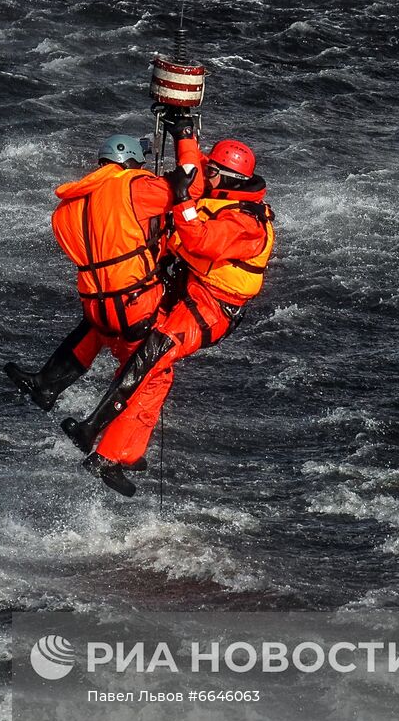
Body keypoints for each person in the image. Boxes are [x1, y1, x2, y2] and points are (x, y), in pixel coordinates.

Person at [61, 137, 277, 496]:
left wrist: (181, 201)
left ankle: (94, 431)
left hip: (211, 307)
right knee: (152, 370)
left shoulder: (246, 224)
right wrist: (184, 135)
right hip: (190, 288)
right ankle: (119, 452)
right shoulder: (230, 195)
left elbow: (199, 240)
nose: (205, 175)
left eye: (212, 172)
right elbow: (193, 173)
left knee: (151, 357)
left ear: (227, 178)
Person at [4, 123, 203, 416]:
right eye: (139, 164)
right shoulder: (135, 187)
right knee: (140, 368)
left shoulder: (68, 206)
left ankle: (46, 384)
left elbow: (110, 238)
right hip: (135, 301)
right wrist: (184, 138)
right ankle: (103, 430)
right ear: (129, 162)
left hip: (95, 303)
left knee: (94, 330)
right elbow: (192, 187)